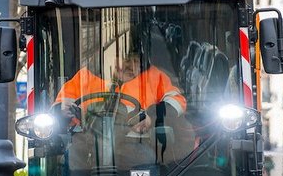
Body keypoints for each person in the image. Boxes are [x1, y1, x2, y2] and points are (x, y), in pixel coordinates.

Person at [54, 50, 187, 135]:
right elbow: (61, 104)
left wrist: (152, 117)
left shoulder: (154, 77)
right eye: (126, 59)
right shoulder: (86, 77)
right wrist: (63, 111)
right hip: (90, 144)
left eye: (136, 61)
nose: (131, 65)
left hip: (138, 145)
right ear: (111, 57)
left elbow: (176, 100)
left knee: (147, 158)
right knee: (72, 157)